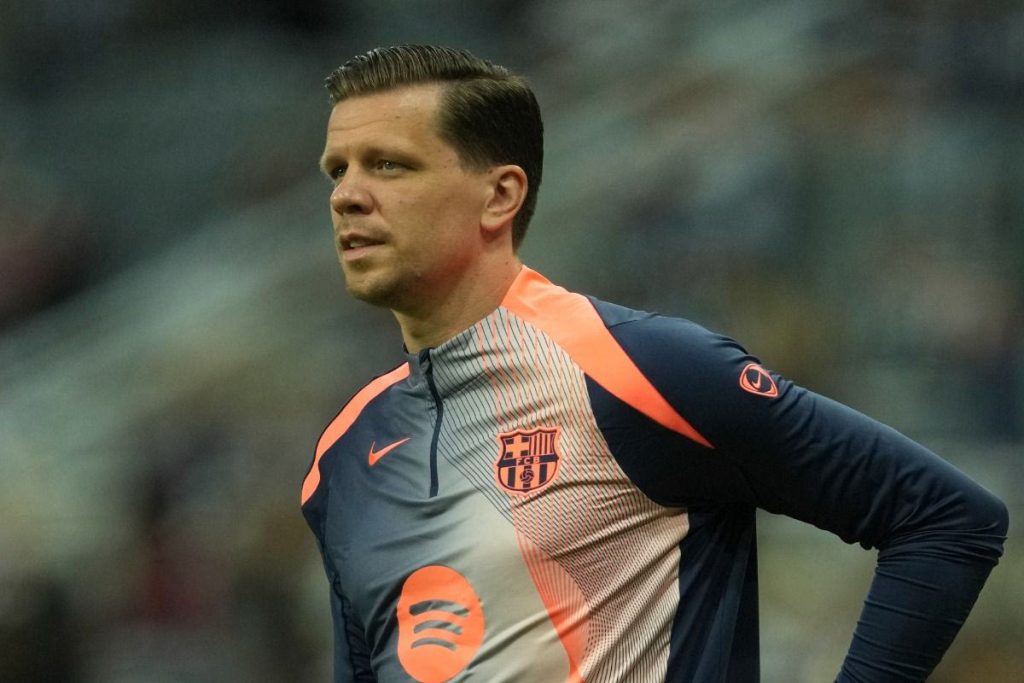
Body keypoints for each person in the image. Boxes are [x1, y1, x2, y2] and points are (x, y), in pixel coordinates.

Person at [299, 45, 1008, 682]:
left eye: (389, 164)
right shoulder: (343, 454)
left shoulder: (639, 370)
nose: (346, 195)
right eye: (338, 170)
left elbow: (946, 519)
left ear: (501, 195)